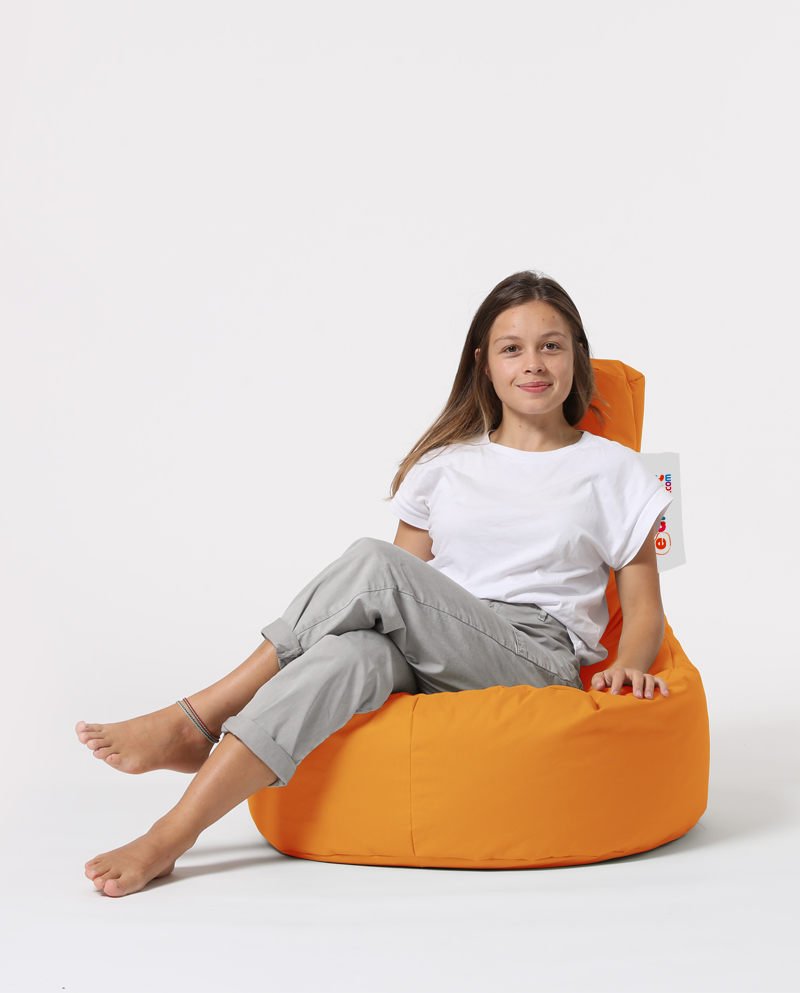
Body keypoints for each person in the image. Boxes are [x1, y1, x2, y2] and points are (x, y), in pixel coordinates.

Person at [75, 269, 673, 898]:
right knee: (346, 653)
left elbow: (644, 610)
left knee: (373, 564)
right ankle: (170, 836)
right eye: (511, 348)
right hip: (438, 643)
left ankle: (199, 718)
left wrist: (628, 667)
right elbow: (390, 599)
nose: (533, 363)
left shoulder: (619, 471)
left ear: (578, 356)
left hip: (534, 657)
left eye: (551, 346)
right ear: (483, 363)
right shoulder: (444, 465)